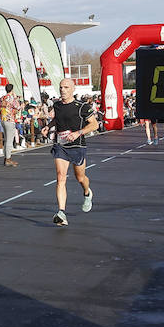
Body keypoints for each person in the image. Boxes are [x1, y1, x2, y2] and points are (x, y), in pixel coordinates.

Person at [49, 78, 98, 226]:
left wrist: (78, 133)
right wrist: (48, 126)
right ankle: (61, 212)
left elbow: (94, 125)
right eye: (61, 87)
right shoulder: (56, 105)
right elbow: (57, 120)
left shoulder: (82, 106)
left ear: (73, 89)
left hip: (77, 146)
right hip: (61, 145)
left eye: (66, 87)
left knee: (80, 178)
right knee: (60, 177)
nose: (63, 90)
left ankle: (87, 192)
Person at [0, 84, 22, 167]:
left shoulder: (1, 98)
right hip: (10, 120)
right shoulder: (11, 98)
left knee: (6, 139)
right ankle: (8, 159)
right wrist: (15, 98)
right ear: (12, 90)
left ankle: (6, 158)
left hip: (3, 120)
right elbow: (18, 107)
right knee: (9, 140)